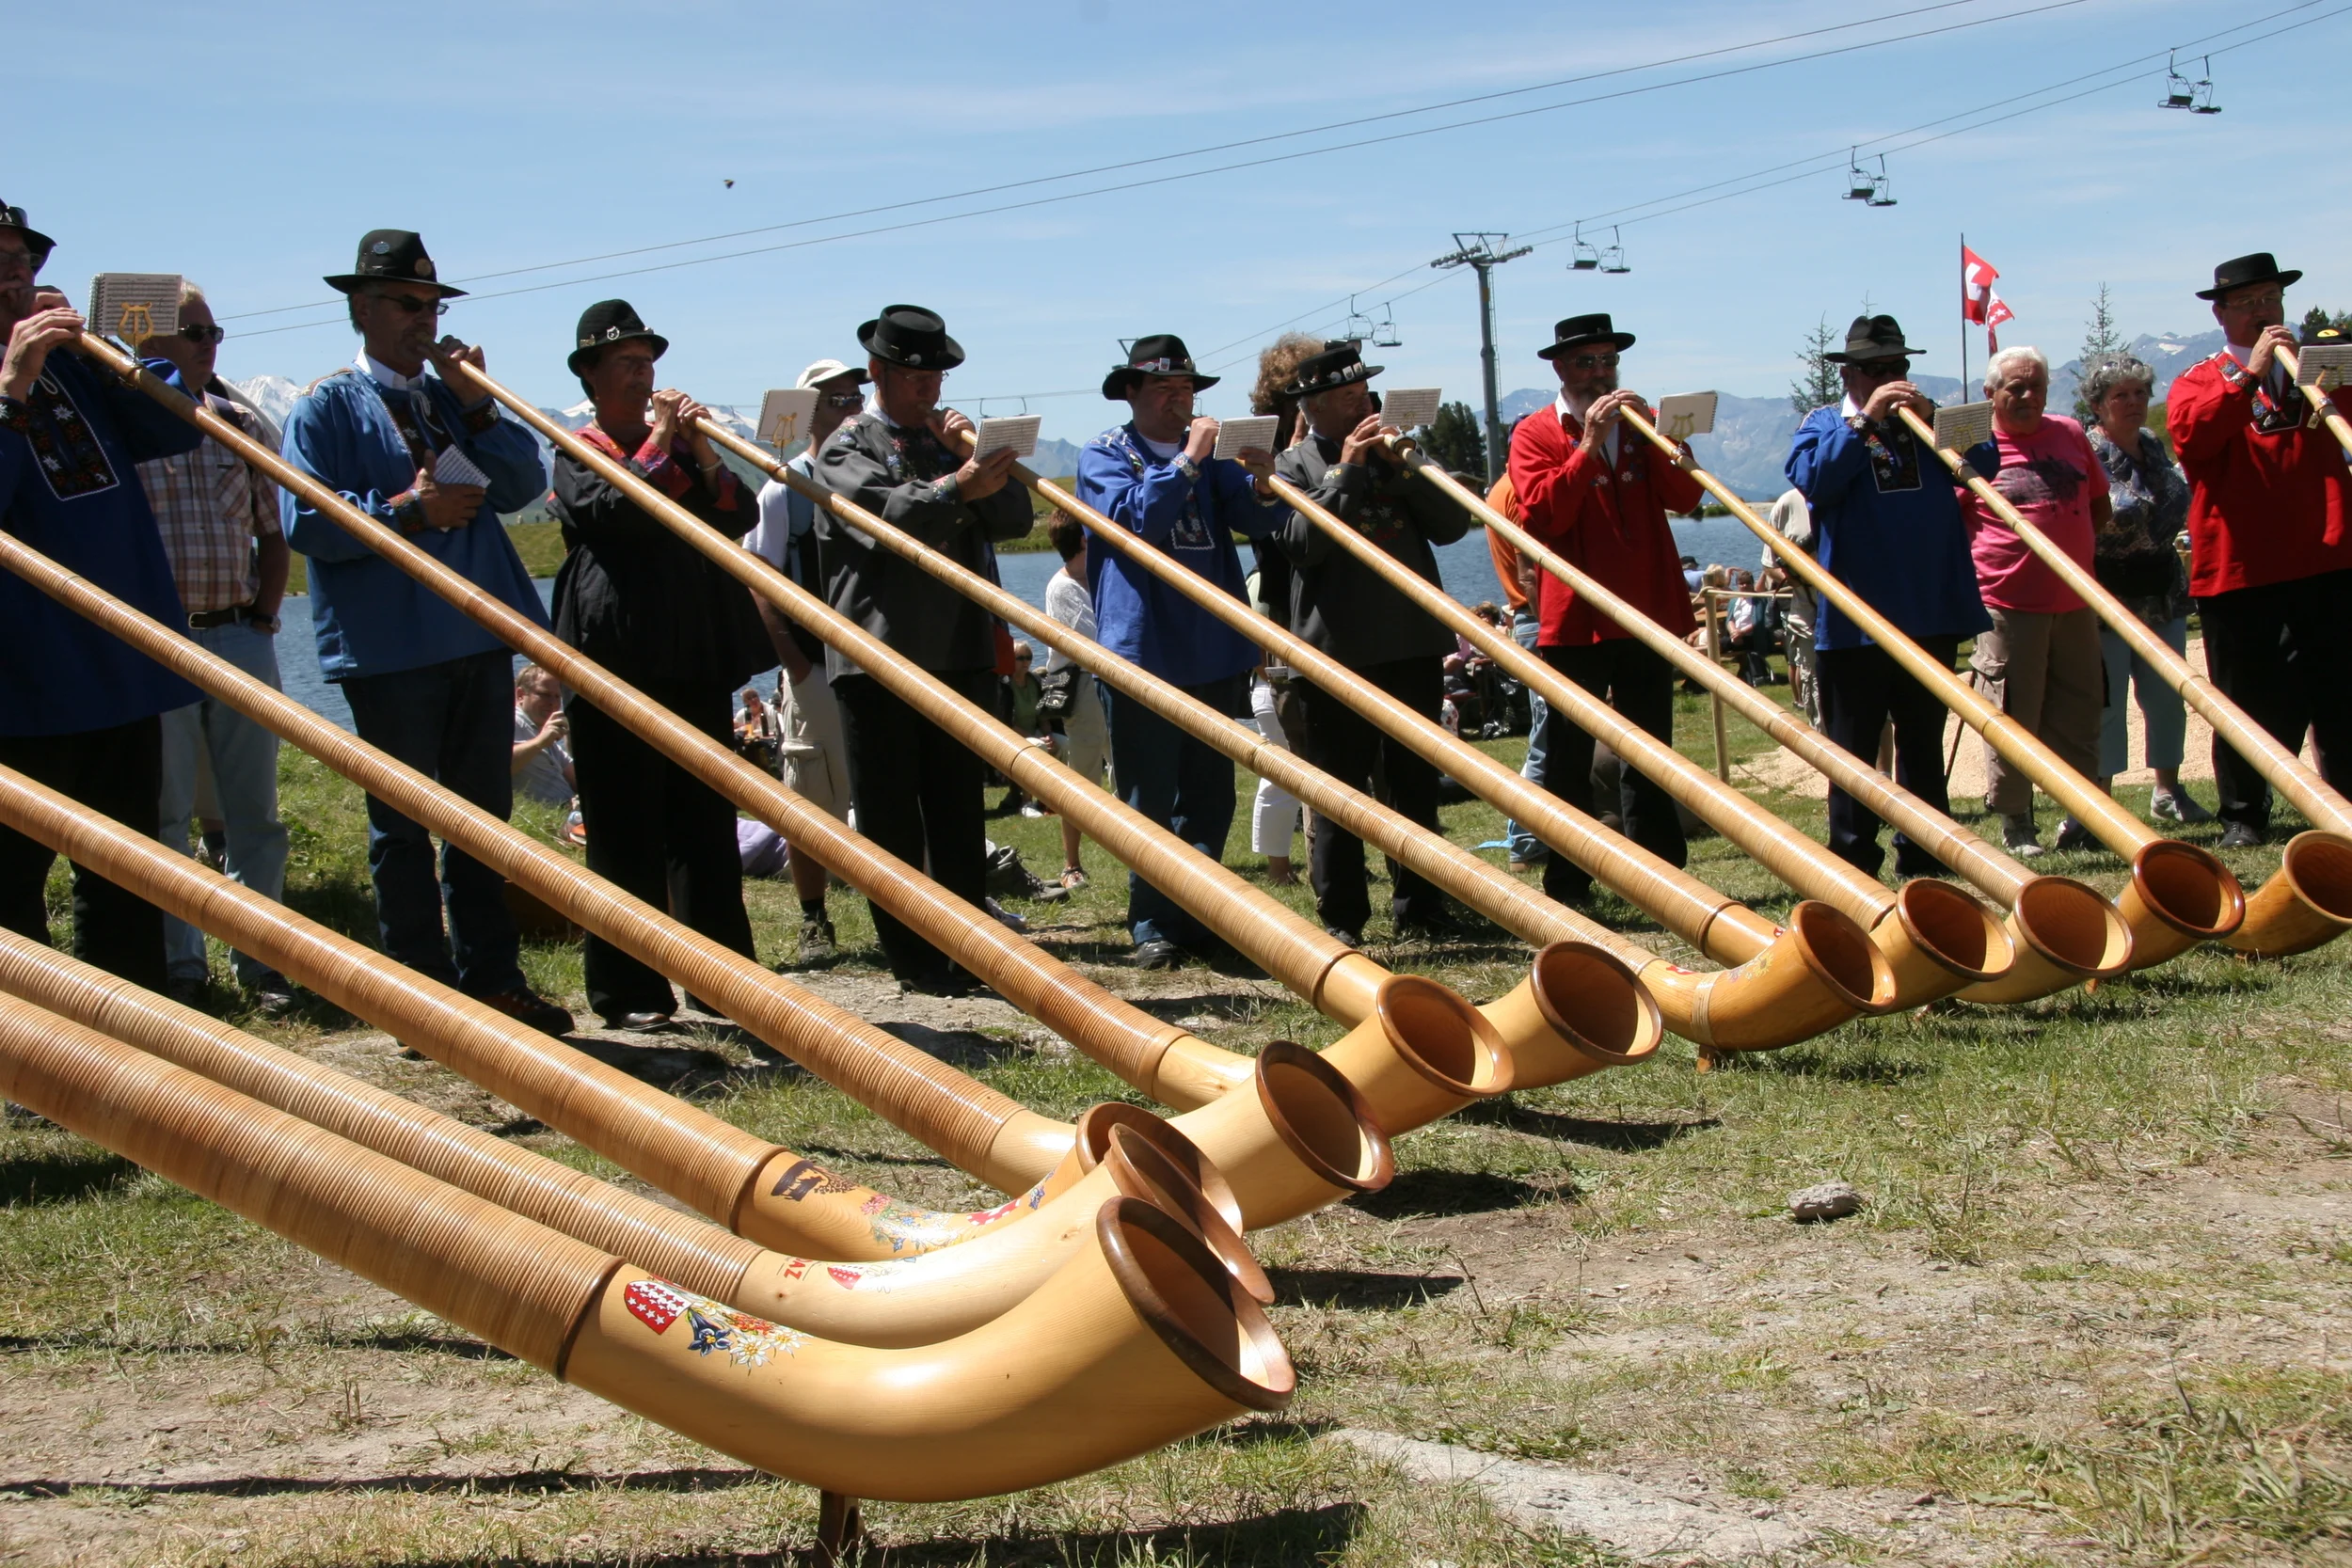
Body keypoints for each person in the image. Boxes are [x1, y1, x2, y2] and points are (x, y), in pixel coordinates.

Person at [278, 230, 568, 1035]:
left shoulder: (448, 397)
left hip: (476, 636)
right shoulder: (325, 407)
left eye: (433, 304)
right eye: (408, 304)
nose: (424, 319)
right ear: (361, 309)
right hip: (391, 647)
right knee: (402, 823)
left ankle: (494, 978)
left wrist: (475, 397)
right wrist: (411, 513)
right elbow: (306, 522)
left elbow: (523, 482)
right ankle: (419, 991)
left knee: (482, 817)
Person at [548, 299, 771, 1032]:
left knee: (704, 822)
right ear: (592, 376)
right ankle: (629, 988)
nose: (645, 378)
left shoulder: (674, 449)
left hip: (687, 654)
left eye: (650, 364)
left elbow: (734, 514)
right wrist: (663, 440)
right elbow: (617, 511)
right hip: (611, 656)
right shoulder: (573, 445)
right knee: (622, 828)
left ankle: (722, 982)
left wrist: (702, 449)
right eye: (628, 365)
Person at [0, 203, 203, 990]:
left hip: (123, 663)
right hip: (25, 683)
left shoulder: (75, 361)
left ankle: (137, 1037)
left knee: (127, 870)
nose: (18, 274)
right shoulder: (21, 370)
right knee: (14, 880)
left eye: (24, 258)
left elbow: (178, 429)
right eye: (0, 261)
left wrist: (122, 352)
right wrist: (12, 384)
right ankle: (37, 1055)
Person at [815, 305, 1031, 993]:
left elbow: (1015, 516)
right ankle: (913, 957)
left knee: (957, 807)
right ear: (878, 372)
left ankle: (969, 949)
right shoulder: (846, 446)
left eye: (936, 373)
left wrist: (971, 458)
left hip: (959, 646)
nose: (928, 386)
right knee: (890, 816)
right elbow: (890, 518)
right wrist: (959, 488)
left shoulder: (948, 441)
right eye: (913, 374)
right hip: (879, 654)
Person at [1077, 334, 1283, 969]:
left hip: (1211, 647)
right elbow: (1138, 521)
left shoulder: (1214, 458)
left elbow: (1260, 520)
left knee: (1210, 794)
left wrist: (1265, 481)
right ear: (1132, 392)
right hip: (1143, 649)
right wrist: (1189, 461)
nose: (1179, 400)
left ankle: (1199, 913)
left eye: (1186, 389)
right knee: (1149, 794)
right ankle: (1151, 920)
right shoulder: (1103, 454)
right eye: (1164, 389)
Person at [133, 279, 296, 1012]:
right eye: (195, 333)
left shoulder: (242, 424)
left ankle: (261, 963)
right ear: (153, 345)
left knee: (253, 811)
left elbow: (273, 533)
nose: (211, 345)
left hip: (237, 633)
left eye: (215, 332)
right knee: (165, 813)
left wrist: (262, 617)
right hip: (156, 642)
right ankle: (181, 965)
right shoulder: (125, 426)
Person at [1271, 342, 1468, 944]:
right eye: (1352, 399)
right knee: (1340, 795)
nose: (1367, 406)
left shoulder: (1398, 456)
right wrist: (1350, 469)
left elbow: (1454, 524)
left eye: (1367, 396)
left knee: (1414, 787)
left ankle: (1422, 906)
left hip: (1411, 643)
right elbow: (1303, 544)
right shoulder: (1289, 466)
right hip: (1336, 655)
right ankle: (1343, 918)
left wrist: (1405, 469)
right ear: (1318, 406)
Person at [1787, 314, 1993, 878]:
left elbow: (1987, 464)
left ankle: (1926, 853)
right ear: (1851, 374)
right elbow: (1817, 480)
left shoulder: (1931, 421)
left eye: (1898, 367)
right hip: (1855, 620)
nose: (1892, 377)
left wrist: (1932, 419)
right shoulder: (1825, 422)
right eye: (1878, 369)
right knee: (1851, 750)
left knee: (1922, 743)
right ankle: (1853, 859)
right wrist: (1867, 421)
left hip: (1931, 610)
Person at [1508, 313, 1703, 907]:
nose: (1600, 373)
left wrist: (1660, 439)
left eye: (1608, 362)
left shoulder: (1640, 427)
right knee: (1567, 758)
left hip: (1645, 610)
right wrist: (1589, 445)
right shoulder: (1535, 432)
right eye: (1587, 362)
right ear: (1560, 368)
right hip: (1577, 621)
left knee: (1651, 750)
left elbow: (1688, 497)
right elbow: (1544, 515)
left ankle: (1664, 877)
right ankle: (1570, 882)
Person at [2169, 252, 2352, 847]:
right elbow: (2194, 439)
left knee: (2338, 693)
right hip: (2239, 569)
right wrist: (2249, 374)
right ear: (2221, 314)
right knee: (2245, 704)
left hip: (2327, 558)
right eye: (2248, 303)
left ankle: (2342, 806)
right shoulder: (2199, 378)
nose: (2263, 311)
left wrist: (2335, 369)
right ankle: (2245, 816)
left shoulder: (2318, 373)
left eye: (2271, 299)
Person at [1959, 345, 2112, 856]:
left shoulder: (2069, 433)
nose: (2028, 396)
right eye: (2015, 388)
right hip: (2007, 602)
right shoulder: (1972, 446)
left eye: (2036, 387)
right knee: (2011, 716)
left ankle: (2083, 817)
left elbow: (2099, 504)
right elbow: (1953, 523)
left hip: (2075, 600)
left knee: (2081, 710)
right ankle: (2017, 824)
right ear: (1990, 395)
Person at [747, 356, 870, 964]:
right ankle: (814, 917)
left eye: (856, 398)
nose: (852, 409)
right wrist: (795, 663)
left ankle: (907, 912)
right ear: (808, 412)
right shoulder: (781, 487)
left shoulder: (873, 475)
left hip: (873, 661)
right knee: (808, 798)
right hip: (815, 668)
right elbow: (758, 579)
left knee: (883, 789)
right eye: (838, 400)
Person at [2083, 353, 2210, 825]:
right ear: (2098, 405)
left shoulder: (2155, 444)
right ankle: (2101, 806)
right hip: (2106, 597)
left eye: (2140, 392)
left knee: (2166, 698)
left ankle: (2168, 791)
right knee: (2108, 704)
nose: (2134, 402)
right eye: (2121, 395)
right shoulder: (2086, 452)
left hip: (2164, 593)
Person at [1486, 468, 1550, 872]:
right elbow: (1530, 572)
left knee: (1547, 734)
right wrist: (1551, 626)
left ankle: (1532, 839)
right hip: (1538, 618)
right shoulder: (1520, 489)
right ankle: (1525, 843)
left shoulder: (1500, 489)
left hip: (1528, 617)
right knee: (1548, 737)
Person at [1041, 513, 1109, 890]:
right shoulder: (1062, 587)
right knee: (1082, 778)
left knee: (1132, 769)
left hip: (1113, 685)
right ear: (1082, 540)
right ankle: (1071, 865)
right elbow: (1095, 638)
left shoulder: (1099, 575)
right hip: (1083, 689)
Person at [1764, 491, 1820, 723]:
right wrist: (1795, 579)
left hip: (1861, 621)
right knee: (1818, 702)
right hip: (1809, 621)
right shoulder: (1787, 503)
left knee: (1874, 712)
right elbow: (1769, 565)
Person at [510, 663, 574, 807]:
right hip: (549, 819)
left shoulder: (544, 735)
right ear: (520, 695)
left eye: (557, 697)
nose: (553, 703)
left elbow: (577, 778)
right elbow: (497, 768)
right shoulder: (511, 721)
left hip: (568, 812)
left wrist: (570, 735)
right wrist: (540, 742)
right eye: (544, 695)